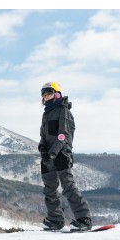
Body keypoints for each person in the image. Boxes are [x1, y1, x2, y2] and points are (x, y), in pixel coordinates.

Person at [38, 81, 92, 231]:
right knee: (50, 189)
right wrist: (43, 148)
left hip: (61, 154)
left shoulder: (64, 111)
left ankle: (84, 219)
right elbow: (43, 135)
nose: (46, 97)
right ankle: (55, 219)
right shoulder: (46, 114)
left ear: (57, 93)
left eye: (49, 93)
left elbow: (63, 135)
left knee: (67, 186)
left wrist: (53, 153)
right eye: (44, 95)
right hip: (47, 156)